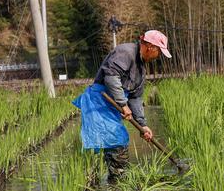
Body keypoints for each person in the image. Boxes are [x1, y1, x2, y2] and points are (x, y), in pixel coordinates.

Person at [73, 30, 172, 183]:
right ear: (150, 47)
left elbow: (136, 98)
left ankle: (114, 183)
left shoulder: (141, 69)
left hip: (112, 106)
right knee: (117, 143)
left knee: (114, 145)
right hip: (100, 104)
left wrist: (143, 125)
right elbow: (111, 77)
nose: (158, 57)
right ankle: (116, 186)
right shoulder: (125, 52)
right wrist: (122, 104)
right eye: (159, 52)